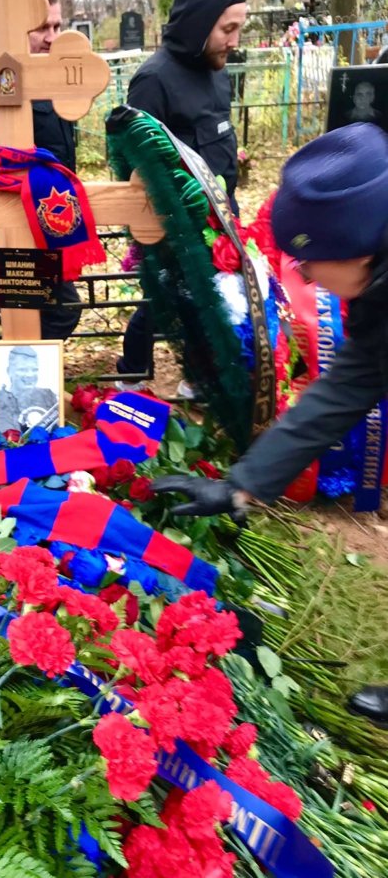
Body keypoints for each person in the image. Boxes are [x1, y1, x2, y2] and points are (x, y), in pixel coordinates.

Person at [151, 122, 388, 724]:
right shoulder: (377, 286)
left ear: (361, 246)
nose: (304, 279)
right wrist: (244, 482)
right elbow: (349, 384)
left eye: (310, 264)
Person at [119, 0, 248, 387]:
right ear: (199, 24)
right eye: (228, 29)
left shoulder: (218, 71)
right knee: (167, 299)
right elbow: (134, 161)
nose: (234, 40)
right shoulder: (154, 80)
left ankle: (198, 379)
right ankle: (133, 374)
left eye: (239, 28)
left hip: (222, 216)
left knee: (209, 301)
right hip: (176, 224)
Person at [0, 0, 82, 342]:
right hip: (18, 226)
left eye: (58, 26)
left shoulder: (50, 77)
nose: (52, 37)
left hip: (52, 220)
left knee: (56, 312)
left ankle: (29, 382)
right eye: (43, 28)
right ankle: (26, 383)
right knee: (56, 313)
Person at [0, 345, 58, 436]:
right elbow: (7, 435)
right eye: (22, 370)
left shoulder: (48, 395)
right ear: (9, 371)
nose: (30, 375)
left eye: (34, 370)